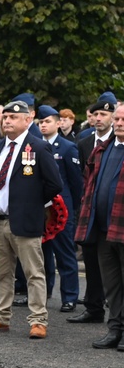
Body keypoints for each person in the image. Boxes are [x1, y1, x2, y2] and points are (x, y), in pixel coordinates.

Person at [0, 101, 62, 338]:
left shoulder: (38, 147)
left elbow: (54, 184)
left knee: (34, 273)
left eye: (13, 117)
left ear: (27, 121)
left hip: (25, 221)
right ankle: (0, 316)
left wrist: (31, 204)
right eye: (6, 117)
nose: (7, 121)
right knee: (0, 273)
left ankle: (38, 320)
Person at [74, 103, 124, 350]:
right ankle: (115, 329)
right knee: (112, 285)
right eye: (117, 118)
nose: (119, 122)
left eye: (123, 118)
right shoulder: (102, 150)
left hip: (122, 229)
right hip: (104, 229)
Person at [70, 98, 115, 324]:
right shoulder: (84, 142)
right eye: (95, 114)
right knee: (90, 259)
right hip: (89, 211)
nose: (99, 119)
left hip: (111, 212)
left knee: (112, 263)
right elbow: (80, 179)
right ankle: (93, 307)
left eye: (104, 115)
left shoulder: (118, 142)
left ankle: (116, 313)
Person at [36, 104, 82, 312]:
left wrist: (72, 210)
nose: (44, 125)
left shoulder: (67, 147)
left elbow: (75, 183)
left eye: (47, 122)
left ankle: (70, 296)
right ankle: (43, 295)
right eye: (41, 122)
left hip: (62, 210)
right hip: (40, 208)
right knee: (42, 256)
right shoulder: (35, 146)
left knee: (65, 255)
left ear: (58, 123)